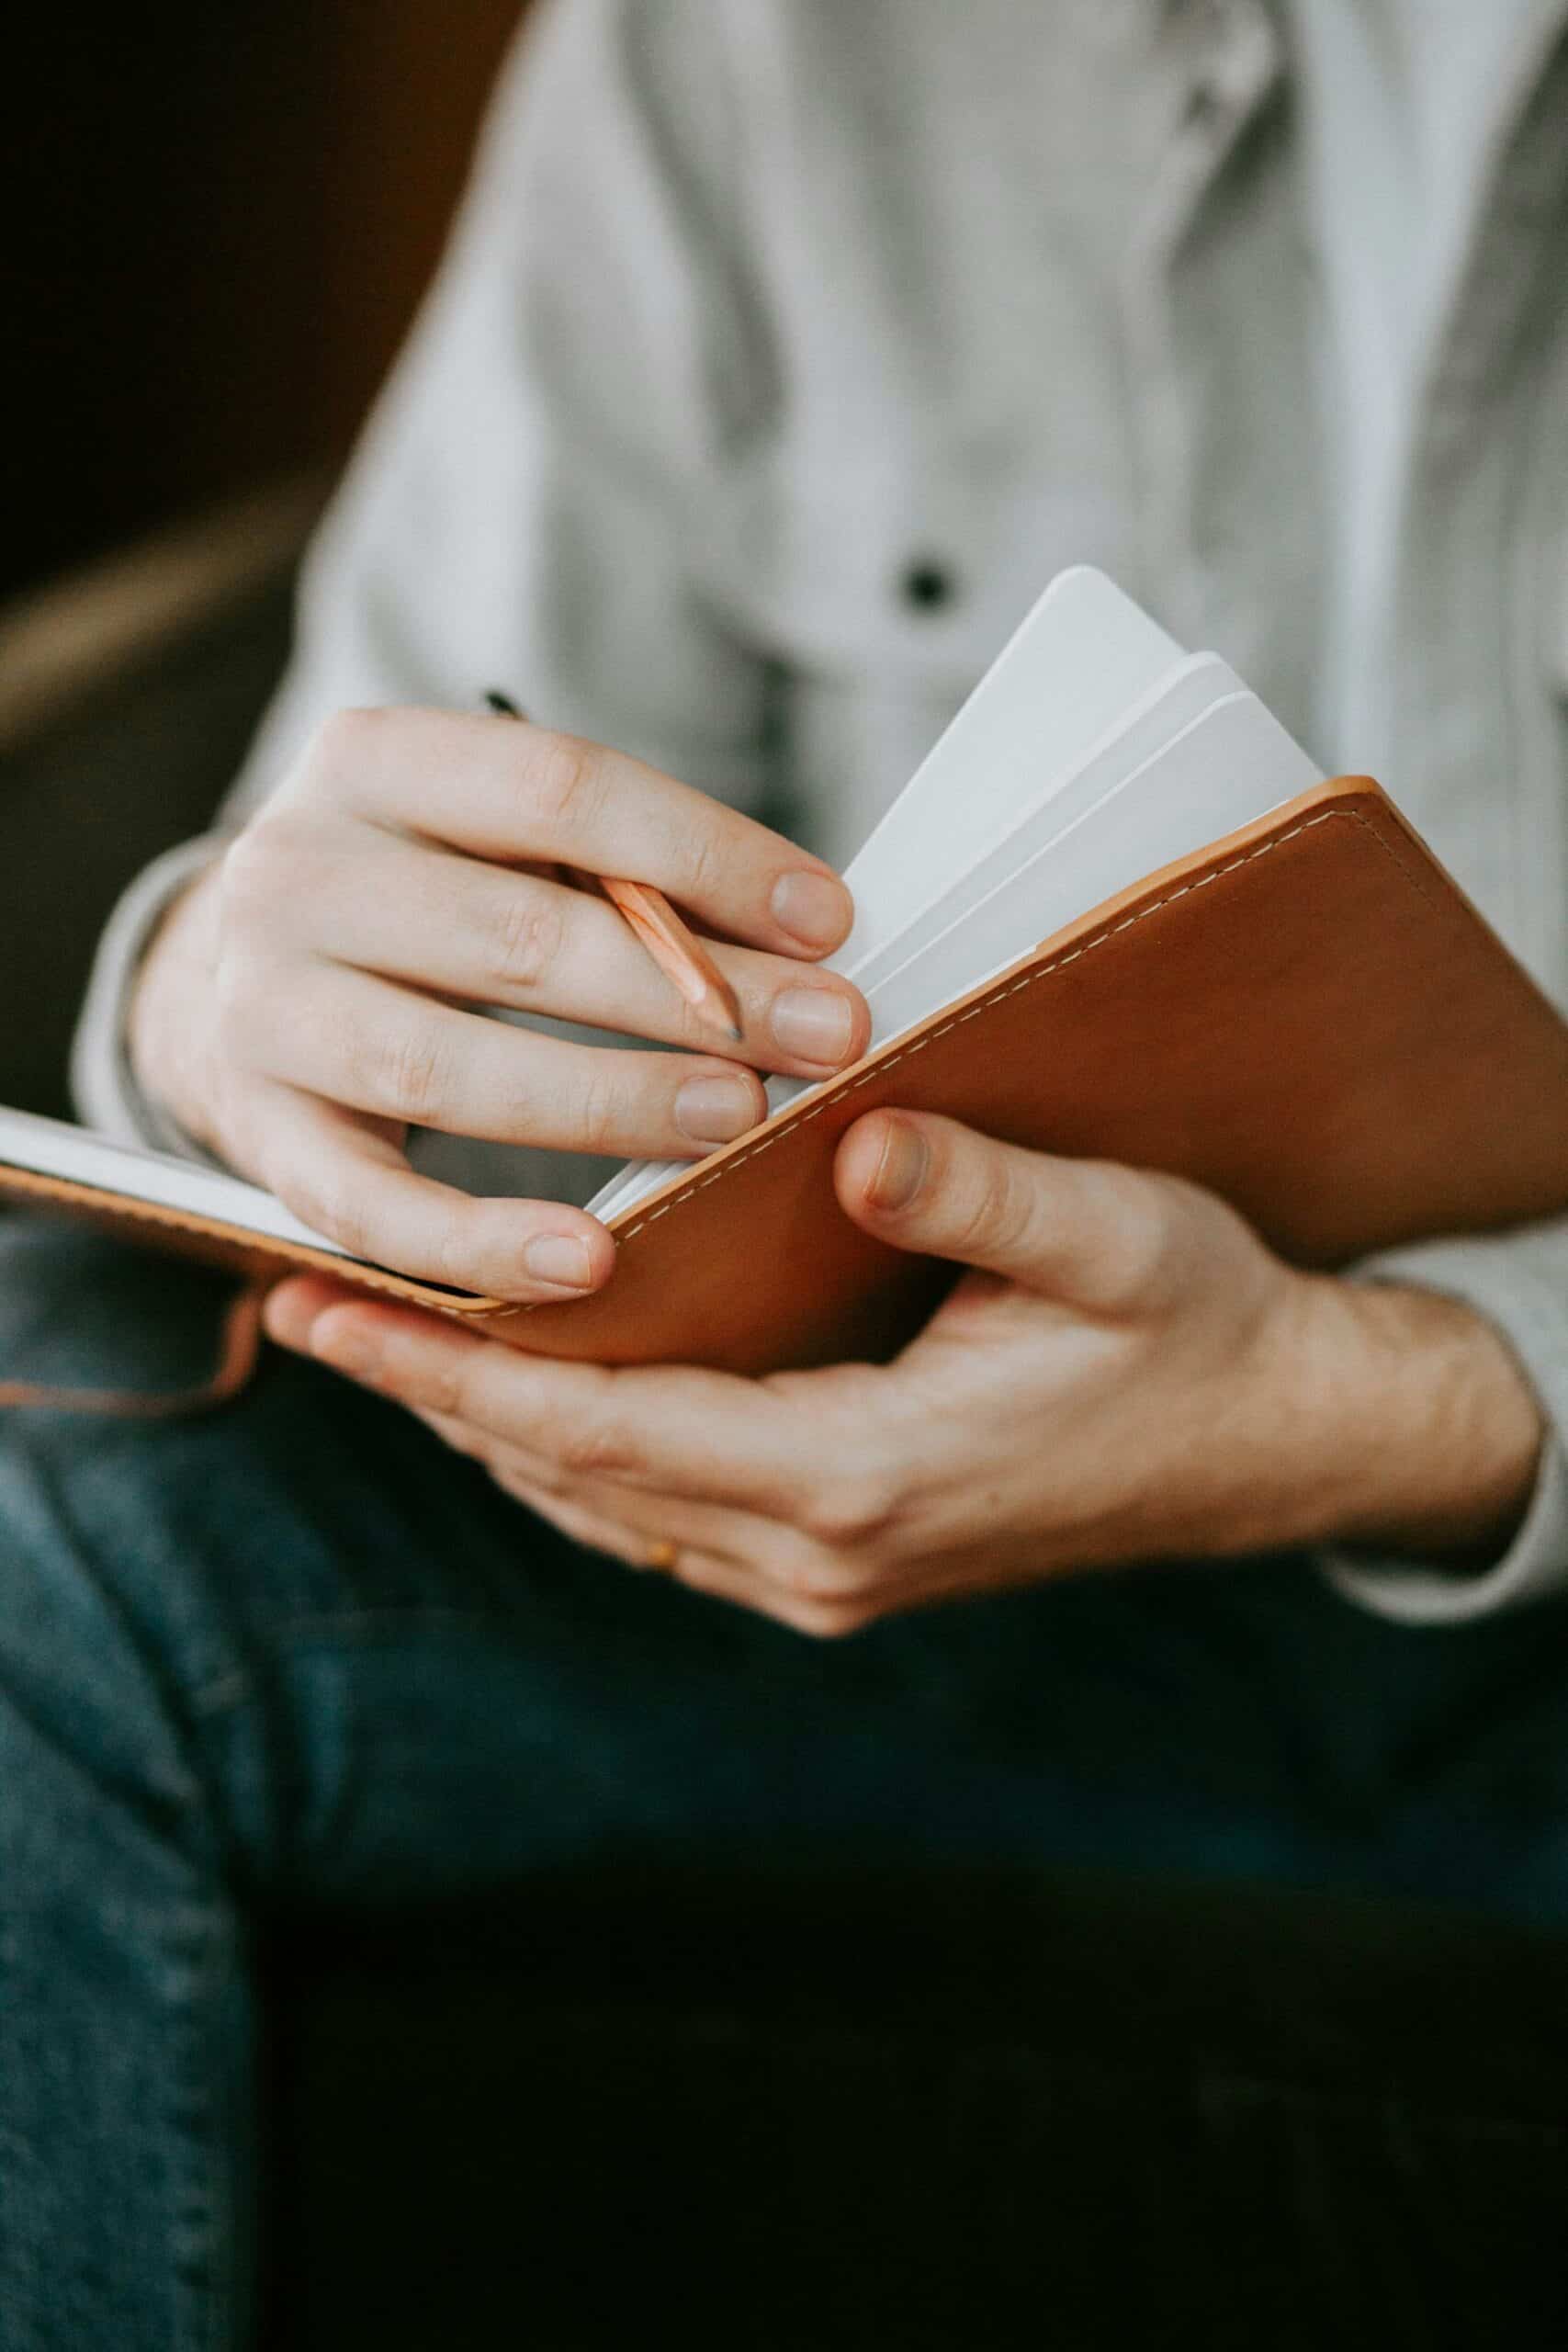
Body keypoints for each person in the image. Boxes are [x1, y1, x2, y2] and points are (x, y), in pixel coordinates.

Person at [7, 0, 1568, 2338]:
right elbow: (408, 810)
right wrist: (218, 997)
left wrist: (1420, 1395)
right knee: (38, 1448)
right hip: (943, 1571)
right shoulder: (752, 49)